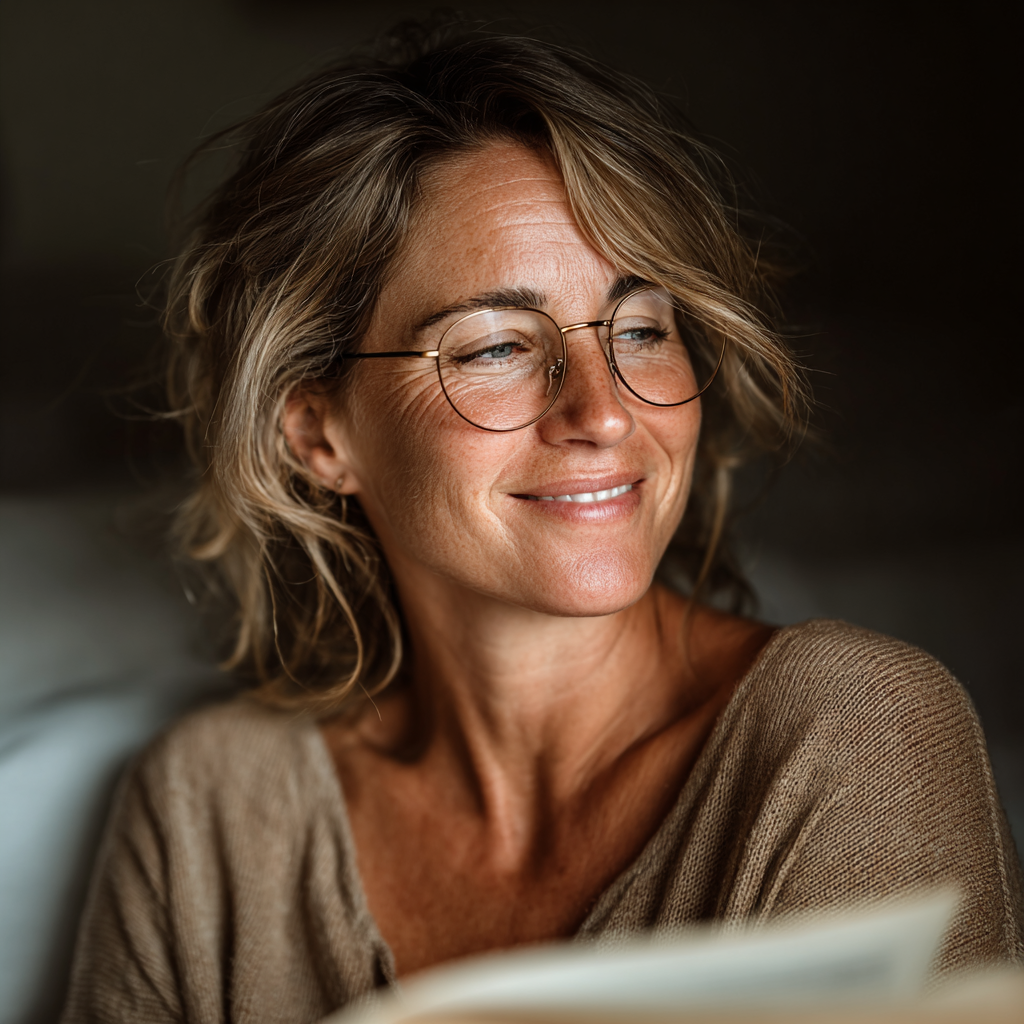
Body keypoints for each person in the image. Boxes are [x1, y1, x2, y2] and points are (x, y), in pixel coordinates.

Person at [62, 23, 1022, 1024]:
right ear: (318, 433)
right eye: (491, 348)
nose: (604, 411)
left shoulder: (850, 733)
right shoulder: (209, 804)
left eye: (641, 329)